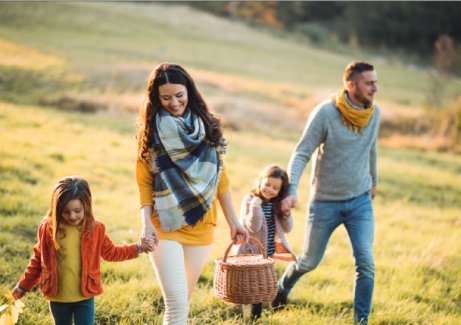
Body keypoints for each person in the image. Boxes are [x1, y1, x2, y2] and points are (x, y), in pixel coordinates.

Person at [135, 62, 248, 324]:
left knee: (183, 303)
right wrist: (145, 224)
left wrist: (233, 221)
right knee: (175, 306)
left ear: (189, 92)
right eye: (166, 98)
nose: (174, 103)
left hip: (202, 224)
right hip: (165, 223)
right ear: (156, 98)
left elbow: (220, 177)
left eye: (179, 95)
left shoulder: (207, 127)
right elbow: (143, 181)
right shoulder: (152, 132)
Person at [272, 61, 380, 324]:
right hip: (325, 204)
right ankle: (283, 288)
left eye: (376, 82)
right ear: (351, 85)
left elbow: (372, 148)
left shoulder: (374, 113)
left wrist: (373, 181)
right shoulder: (326, 113)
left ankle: (361, 321)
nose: (375, 88)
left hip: (360, 201)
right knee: (308, 261)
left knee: (365, 263)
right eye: (369, 82)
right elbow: (301, 153)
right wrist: (292, 189)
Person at [11, 175, 153, 325]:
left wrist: (138, 248)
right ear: (57, 209)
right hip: (58, 298)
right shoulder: (48, 229)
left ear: (86, 205)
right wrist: (23, 286)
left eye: (77, 210)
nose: (72, 216)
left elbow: (112, 253)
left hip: (85, 297)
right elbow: (37, 261)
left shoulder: (95, 229)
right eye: (66, 212)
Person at [234, 164, 296, 319]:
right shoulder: (250, 200)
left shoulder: (276, 204)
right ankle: (245, 315)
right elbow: (253, 227)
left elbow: (288, 228)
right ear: (260, 181)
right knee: (247, 286)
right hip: (250, 252)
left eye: (275, 188)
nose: (270, 189)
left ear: (280, 191)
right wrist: (255, 206)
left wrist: (286, 212)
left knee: (259, 286)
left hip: (266, 252)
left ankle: (254, 317)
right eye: (267, 184)